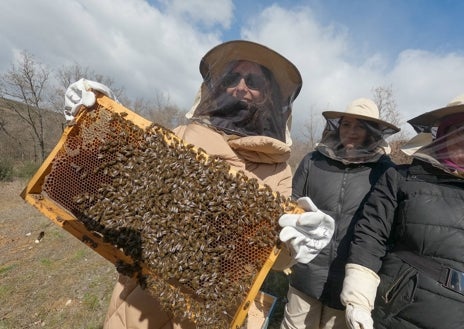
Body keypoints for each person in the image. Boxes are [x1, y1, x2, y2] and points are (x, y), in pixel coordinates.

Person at [63, 40, 334, 329]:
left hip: (218, 309)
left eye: (253, 81)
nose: (241, 87)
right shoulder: (178, 135)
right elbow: (110, 187)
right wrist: (99, 128)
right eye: (232, 78)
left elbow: (272, 257)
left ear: (269, 96)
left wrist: (294, 245)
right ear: (216, 87)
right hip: (140, 304)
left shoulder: (278, 168)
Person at [340, 95, 464, 329]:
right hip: (398, 313)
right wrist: (359, 297)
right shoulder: (402, 177)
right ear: (445, 133)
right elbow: (371, 234)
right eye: (461, 130)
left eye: (360, 125)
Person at [279, 98, 400, 329]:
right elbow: (292, 205)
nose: (351, 132)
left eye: (360, 126)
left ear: (373, 132)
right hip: (306, 274)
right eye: (346, 124)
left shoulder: (386, 172)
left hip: (349, 282)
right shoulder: (313, 161)